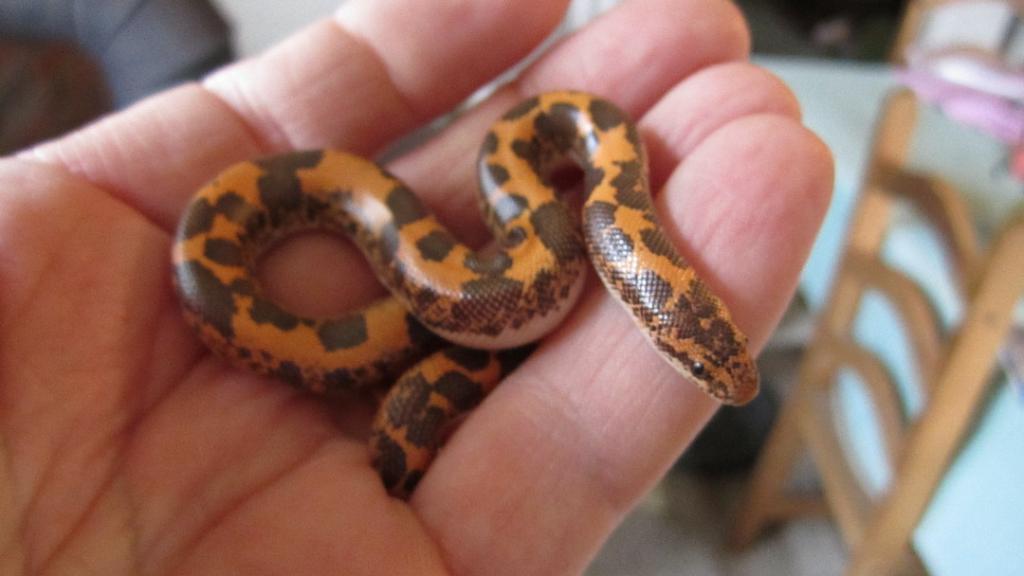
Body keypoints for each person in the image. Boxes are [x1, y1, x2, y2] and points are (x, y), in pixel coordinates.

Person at [0, 0, 832, 573]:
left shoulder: (605, 177)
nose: (704, 369)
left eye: (699, 361)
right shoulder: (583, 194)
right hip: (251, 252)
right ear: (658, 309)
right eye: (698, 358)